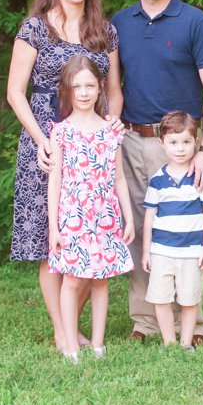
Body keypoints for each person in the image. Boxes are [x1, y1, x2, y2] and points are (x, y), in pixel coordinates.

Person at [7, 0, 122, 353]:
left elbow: (114, 92)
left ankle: (71, 322)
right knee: (51, 241)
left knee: (90, 236)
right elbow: (15, 92)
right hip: (47, 143)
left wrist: (111, 128)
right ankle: (62, 332)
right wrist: (42, 140)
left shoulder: (105, 31)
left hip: (93, 148)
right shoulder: (35, 27)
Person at [112, 0, 203, 345]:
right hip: (131, 140)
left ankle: (193, 325)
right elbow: (112, 87)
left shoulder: (195, 22)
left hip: (181, 147)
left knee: (187, 232)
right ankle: (145, 321)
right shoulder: (119, 23)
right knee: (140, 231)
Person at [47, 55, 135, 362]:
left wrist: (128, 218)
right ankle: (71, 345)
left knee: (100, 280)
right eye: (76, 87)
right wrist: (54, 228)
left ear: (100, 87)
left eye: (89, 86)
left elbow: (119, 177)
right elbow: (55, 181)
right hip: (73, 216)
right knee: (72, 279)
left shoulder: (111, 130)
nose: (83, 93)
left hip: (105, 216)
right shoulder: (61, 132)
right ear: (67, 90)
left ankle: (98, 344)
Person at [141, 111, 203, 350]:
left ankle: (186, 343)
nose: (180, 148)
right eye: (173, 142)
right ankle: (169, 343)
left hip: (191, 252)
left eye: (186, 142)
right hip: (161, 252)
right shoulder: (157, 180)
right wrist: (146, 252)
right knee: (161, 299)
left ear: (196, 142)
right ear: (162, 143)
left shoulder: (200, 178)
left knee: (189, 299)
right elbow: (149, 217)